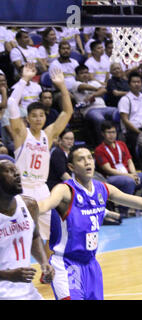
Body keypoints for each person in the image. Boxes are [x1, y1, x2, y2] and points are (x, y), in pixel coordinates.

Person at [37, 145, 142, 300]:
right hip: (67, 265)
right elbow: (45, 205)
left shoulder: (103, 189)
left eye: (89, 158)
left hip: (91, 264)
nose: (87, 162)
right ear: (71, 167)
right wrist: (23, 206)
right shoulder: (65, 190)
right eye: (81, 159)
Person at [7, 64, 73, 259]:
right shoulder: (21, 133)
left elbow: (67, 113)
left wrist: (62, 87)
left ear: (45, 117)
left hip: (42, 188)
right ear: (27, 119)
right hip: (23, 188)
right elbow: (11, 103)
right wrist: (24, 80)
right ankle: (15, 266)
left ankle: (46, 267)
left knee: (49, 232)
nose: (38, 118)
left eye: (41, 115)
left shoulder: (48, 134)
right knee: (21, 231)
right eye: (33, 116)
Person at [0, 157, 55, 299]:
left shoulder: (29, 205)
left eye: (16, 170)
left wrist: (44, 263)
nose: (17, 174)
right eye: (9, 171)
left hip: (28, 291)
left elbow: (34, 235)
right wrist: (8, 275)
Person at [94, 121, 142, 219]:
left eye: (113, 132)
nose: (112, 135)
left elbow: (129, 161)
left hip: (128, 175)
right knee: (128, 181)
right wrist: (129, 176)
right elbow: (107, 169)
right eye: (109, 132)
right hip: (112, 178)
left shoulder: (121, 144)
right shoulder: (99, 150)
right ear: (103, 134)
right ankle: (123, 211)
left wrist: (134, 174)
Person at [71, 64, 117, 145]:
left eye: (86, 72)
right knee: (100, 120)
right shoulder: (75, 84)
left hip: (104, 107)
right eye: (82, 73)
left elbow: (104, 90)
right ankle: (102, 144)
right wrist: (97, 89)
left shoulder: (94, 82)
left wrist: (93, 95)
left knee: (118, 112)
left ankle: (118, 142)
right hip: (90, 110)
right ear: (77, 76)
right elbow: (83, 86)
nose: (85, 75)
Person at [118, 71, 142, 160]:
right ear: (129, 84)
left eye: (139, 82)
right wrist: (140, 133)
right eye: (134, 82)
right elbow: (125, 120)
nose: (136, 84)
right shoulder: (125, 99)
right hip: (132, 131)